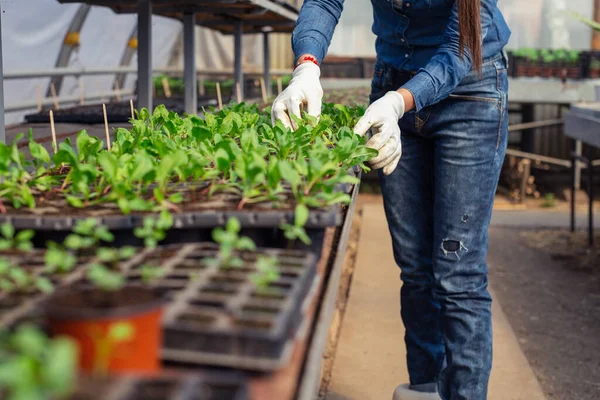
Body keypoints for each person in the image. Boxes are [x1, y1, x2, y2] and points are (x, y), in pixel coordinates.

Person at [271, 1, 511, 399]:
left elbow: (460, 50)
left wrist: (400, 101)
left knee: (457, 274)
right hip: (392, 82)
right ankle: (424, 389)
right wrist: (306, 66)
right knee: (415, 268)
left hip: (470, 94)